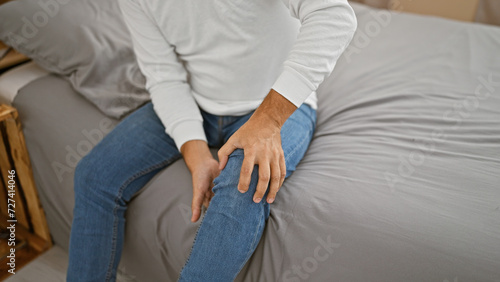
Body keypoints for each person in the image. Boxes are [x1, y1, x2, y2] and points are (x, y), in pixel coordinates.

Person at [66, 0, 356, 281]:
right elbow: (163, 76)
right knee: (94, 176)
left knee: (241, 185)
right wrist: (196, 155)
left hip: (273, 102)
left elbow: (334, 16)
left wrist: (267, 120)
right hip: (195, 99)